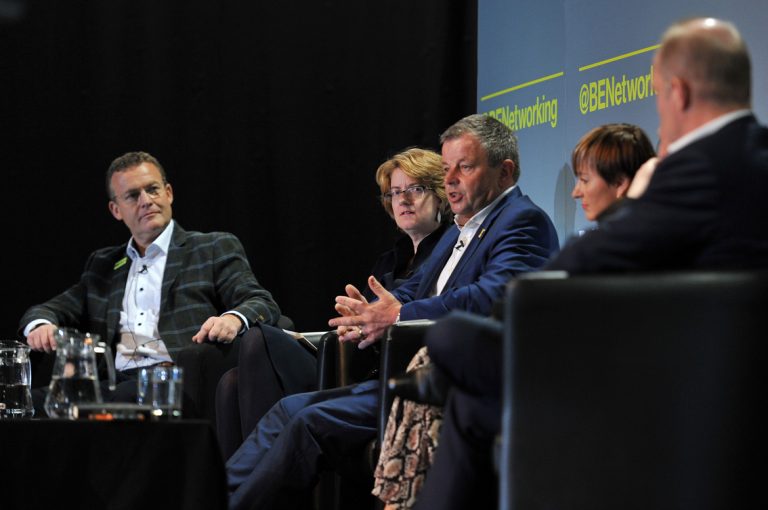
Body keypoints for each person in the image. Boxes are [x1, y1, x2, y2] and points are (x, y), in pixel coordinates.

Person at [412, 17, 768, 510]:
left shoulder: (701, 166)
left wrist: (639, 198)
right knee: (473, 401)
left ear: (679, 92)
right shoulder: (753, 156)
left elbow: (585, 262)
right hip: (693, 365)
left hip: (666, 381)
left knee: (452, 339)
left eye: (658, 96)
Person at [224, 113, 560, 510]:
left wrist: (395, 316)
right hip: (404, 375)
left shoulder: (523, 222)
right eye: (446, 167)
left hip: (452, 386)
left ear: (504, 172)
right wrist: (367, 313)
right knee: (287, 408)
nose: (449, 178)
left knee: (307, 423)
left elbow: (489, 298)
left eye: (464, 167)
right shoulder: (459, 231)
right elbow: (410, 294)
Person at [372, 122, 656, 509]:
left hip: (581, 388)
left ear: (623, 184)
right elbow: (424, 286)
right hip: (553, 375)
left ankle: (442, 375)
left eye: (585, 179)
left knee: (450, 340)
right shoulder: (461, 230)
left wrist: (400, 314)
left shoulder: (611, 241)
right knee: (461, 396)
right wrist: (380, 309)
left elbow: (507, 296)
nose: (575, 191)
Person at [214, 147, 452, 459]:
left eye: (416, 189)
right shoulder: (389, 261)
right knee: (230, 383)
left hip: (383, 371)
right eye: (395, 193)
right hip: (351, 359)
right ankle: (241, 488)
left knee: (258, 338)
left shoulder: (449, 254)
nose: (403, 200)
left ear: (442, 196)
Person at [18, 151, 297, 417]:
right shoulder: (103, 266)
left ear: (169, 193)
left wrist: (233, 319)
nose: (146, 200)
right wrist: (40, 325)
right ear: (116, 210)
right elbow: (48, 309)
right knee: (21, 403)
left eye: (152, 189)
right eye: (132, 195)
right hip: (112, 384)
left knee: (99, 404)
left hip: (174, 380)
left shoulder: (211, 247)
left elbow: (262, 303)